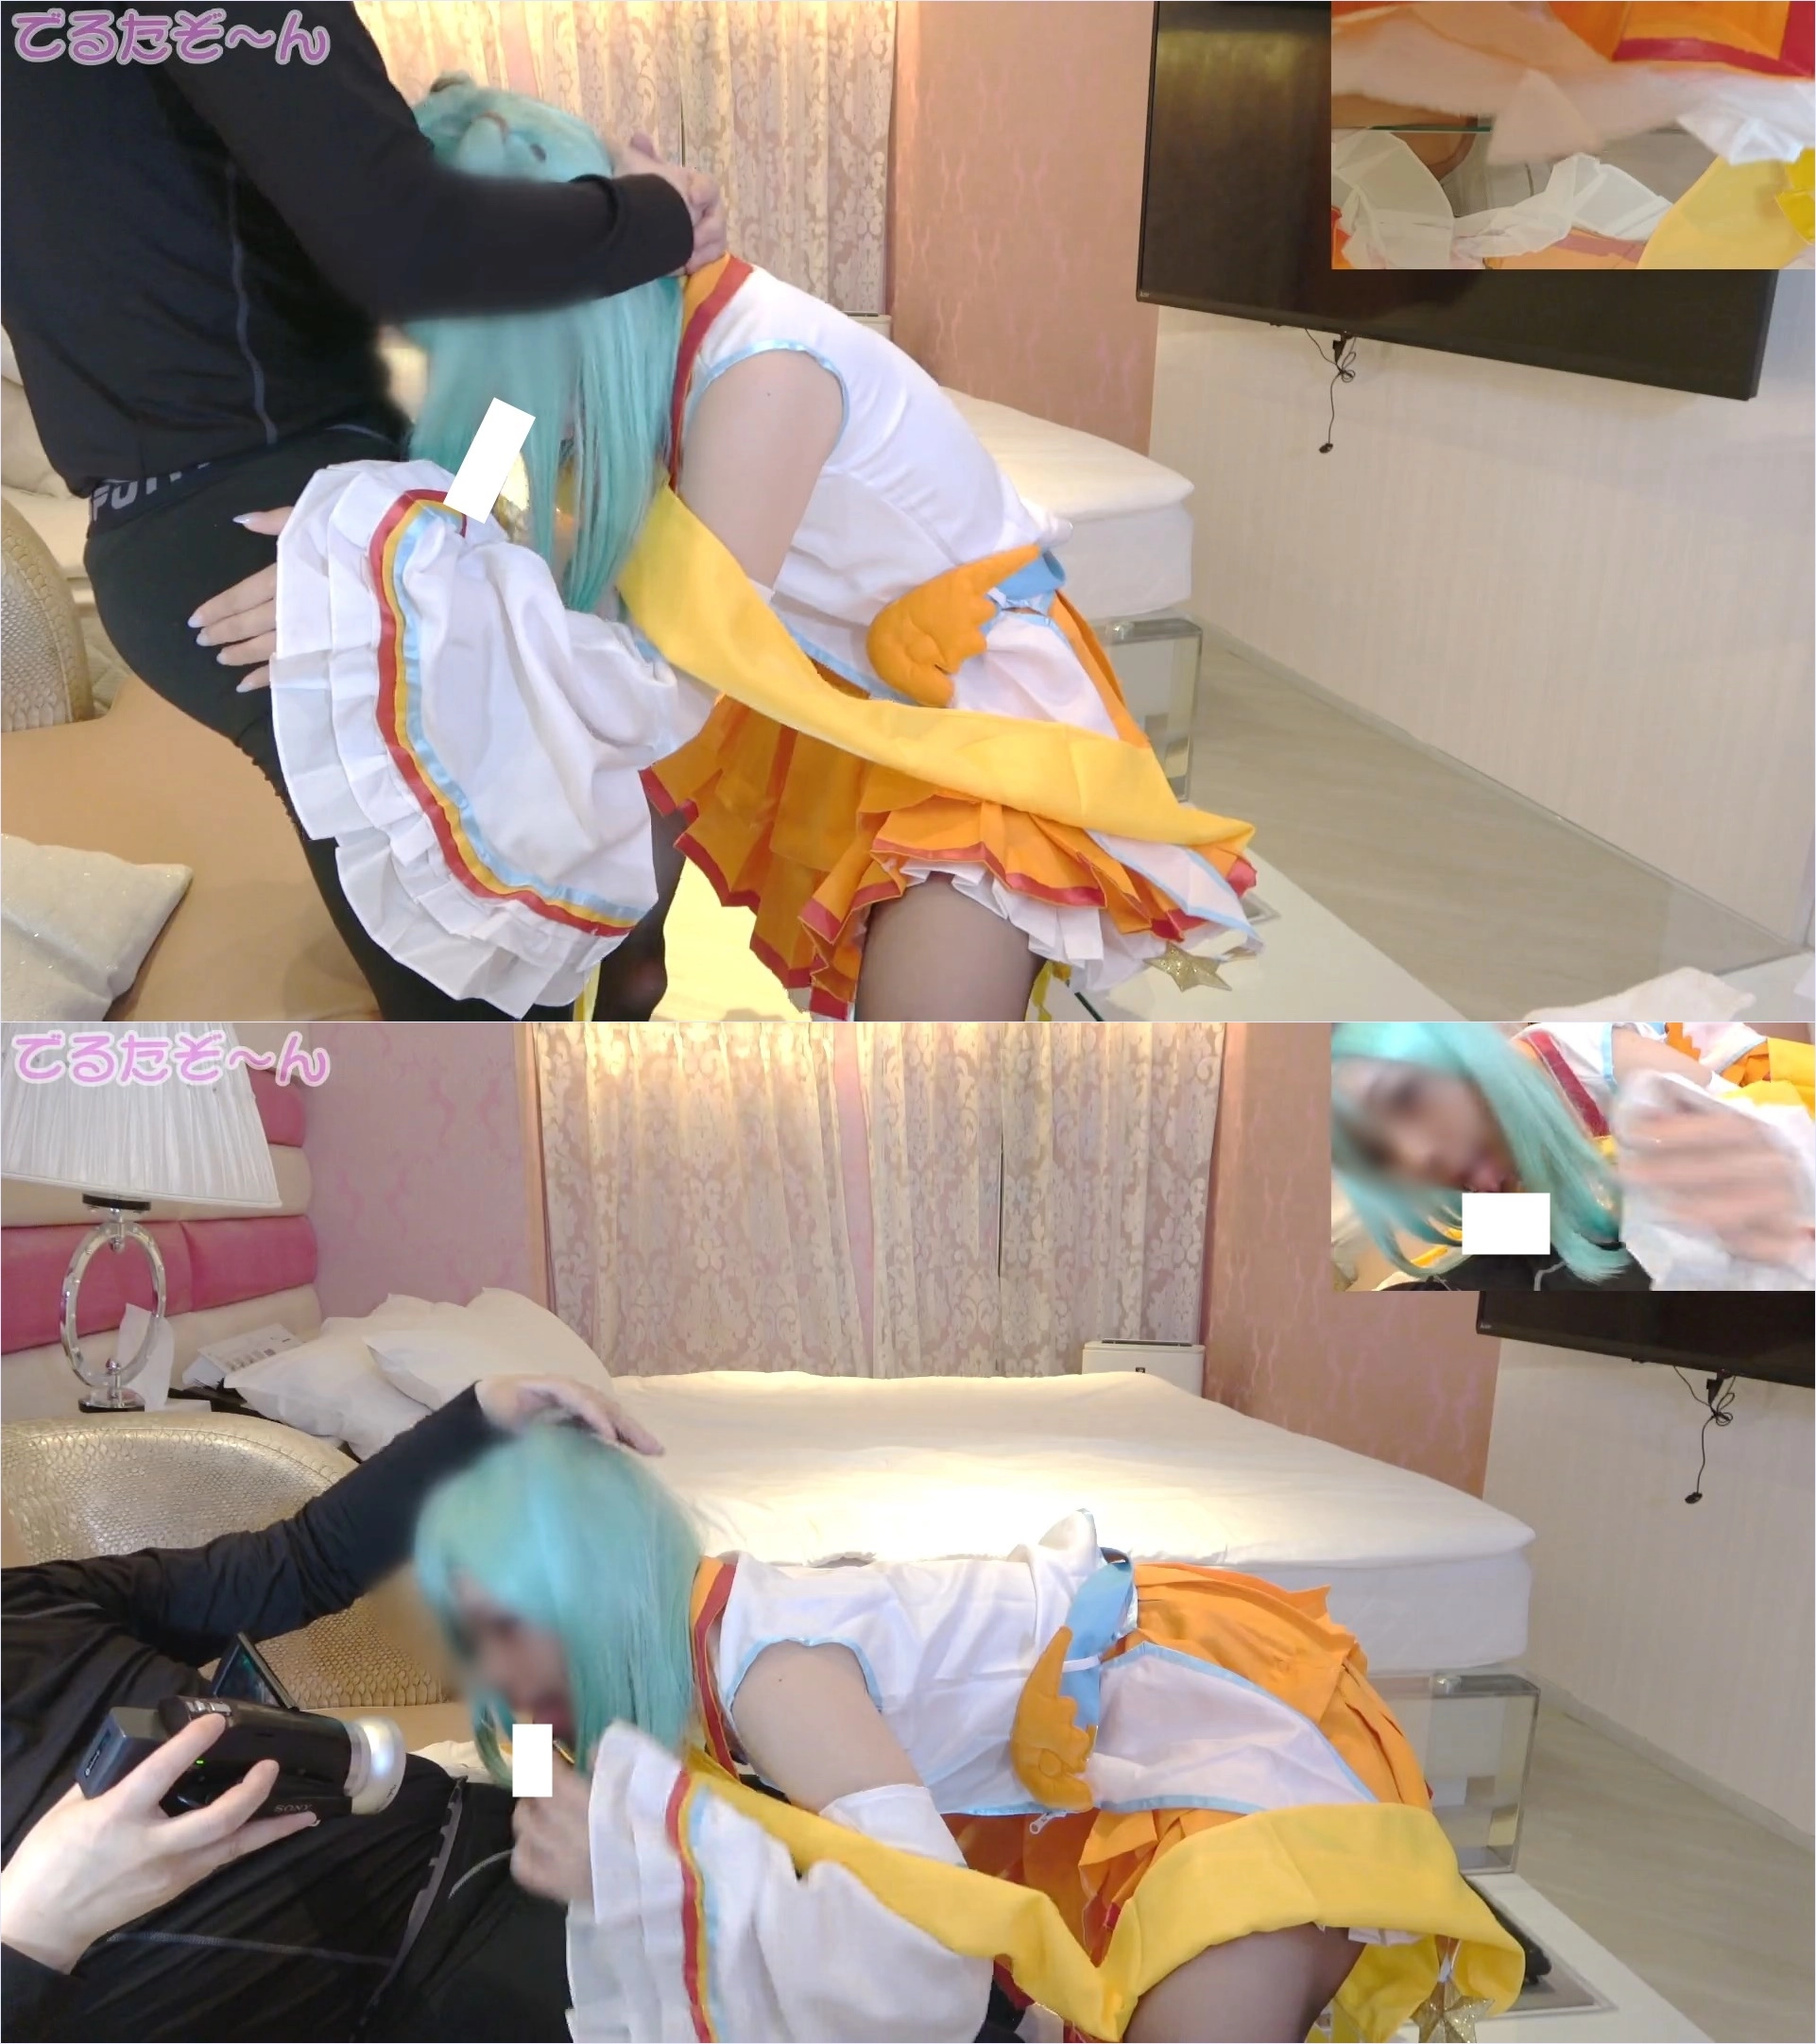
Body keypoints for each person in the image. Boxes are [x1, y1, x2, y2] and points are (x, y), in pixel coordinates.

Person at [205, 80, 1261, 1022]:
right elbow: (465, 506)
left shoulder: (761, 375)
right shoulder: (581, 342)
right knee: (592, 870)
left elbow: (665, 671)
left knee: (924, 1045)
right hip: (792, 666)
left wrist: (380, 591)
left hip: (962, 713)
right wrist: (357, 561)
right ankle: (621, 1007)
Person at [0, 2, 724, 1022]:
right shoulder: (509, 377)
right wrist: (657, 218)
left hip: (220, 517)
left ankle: (617, 984)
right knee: (486, 1008)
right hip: (266, 515)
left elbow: (493, 400)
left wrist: (410, 560)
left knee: (504, 976)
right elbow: (417, 252)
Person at [411, 1425, 1524, 2044]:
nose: (493, 1671)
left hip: (1207, 1724)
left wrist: (637, 1879)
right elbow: (537, 1752)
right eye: (473, 1636)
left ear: (594, 1597)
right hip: (1073, 1761)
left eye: (508, 1628)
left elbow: (921, 1946)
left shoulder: (771, 1674)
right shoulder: (614, 1665)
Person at [0, 1374, 662, 2042]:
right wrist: (32, 1932)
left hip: (496, 1849)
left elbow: (301, 1560)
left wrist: (481, 1416)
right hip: (424, 1995)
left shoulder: (28, 1603)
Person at [1332, 1021, 1816, 1283]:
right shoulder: (1474, 1173)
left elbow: (1757, 1134)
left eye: (1405, 1097)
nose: (1416, 1155)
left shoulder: (1601, 1060)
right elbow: (1534, 1240)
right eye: (1376, 1152)